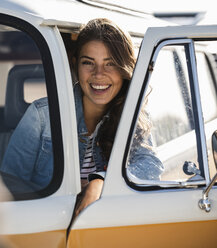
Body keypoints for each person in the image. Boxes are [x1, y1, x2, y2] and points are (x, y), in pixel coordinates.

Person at [0, 18, 163, 216]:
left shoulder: (133, 113)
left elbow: (152, 166)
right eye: (88, 63)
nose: (98, 74)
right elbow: (9, 187)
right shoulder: (42, 115)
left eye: (110, 63)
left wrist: (100, 182)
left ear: (124, 70)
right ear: (76, 64)